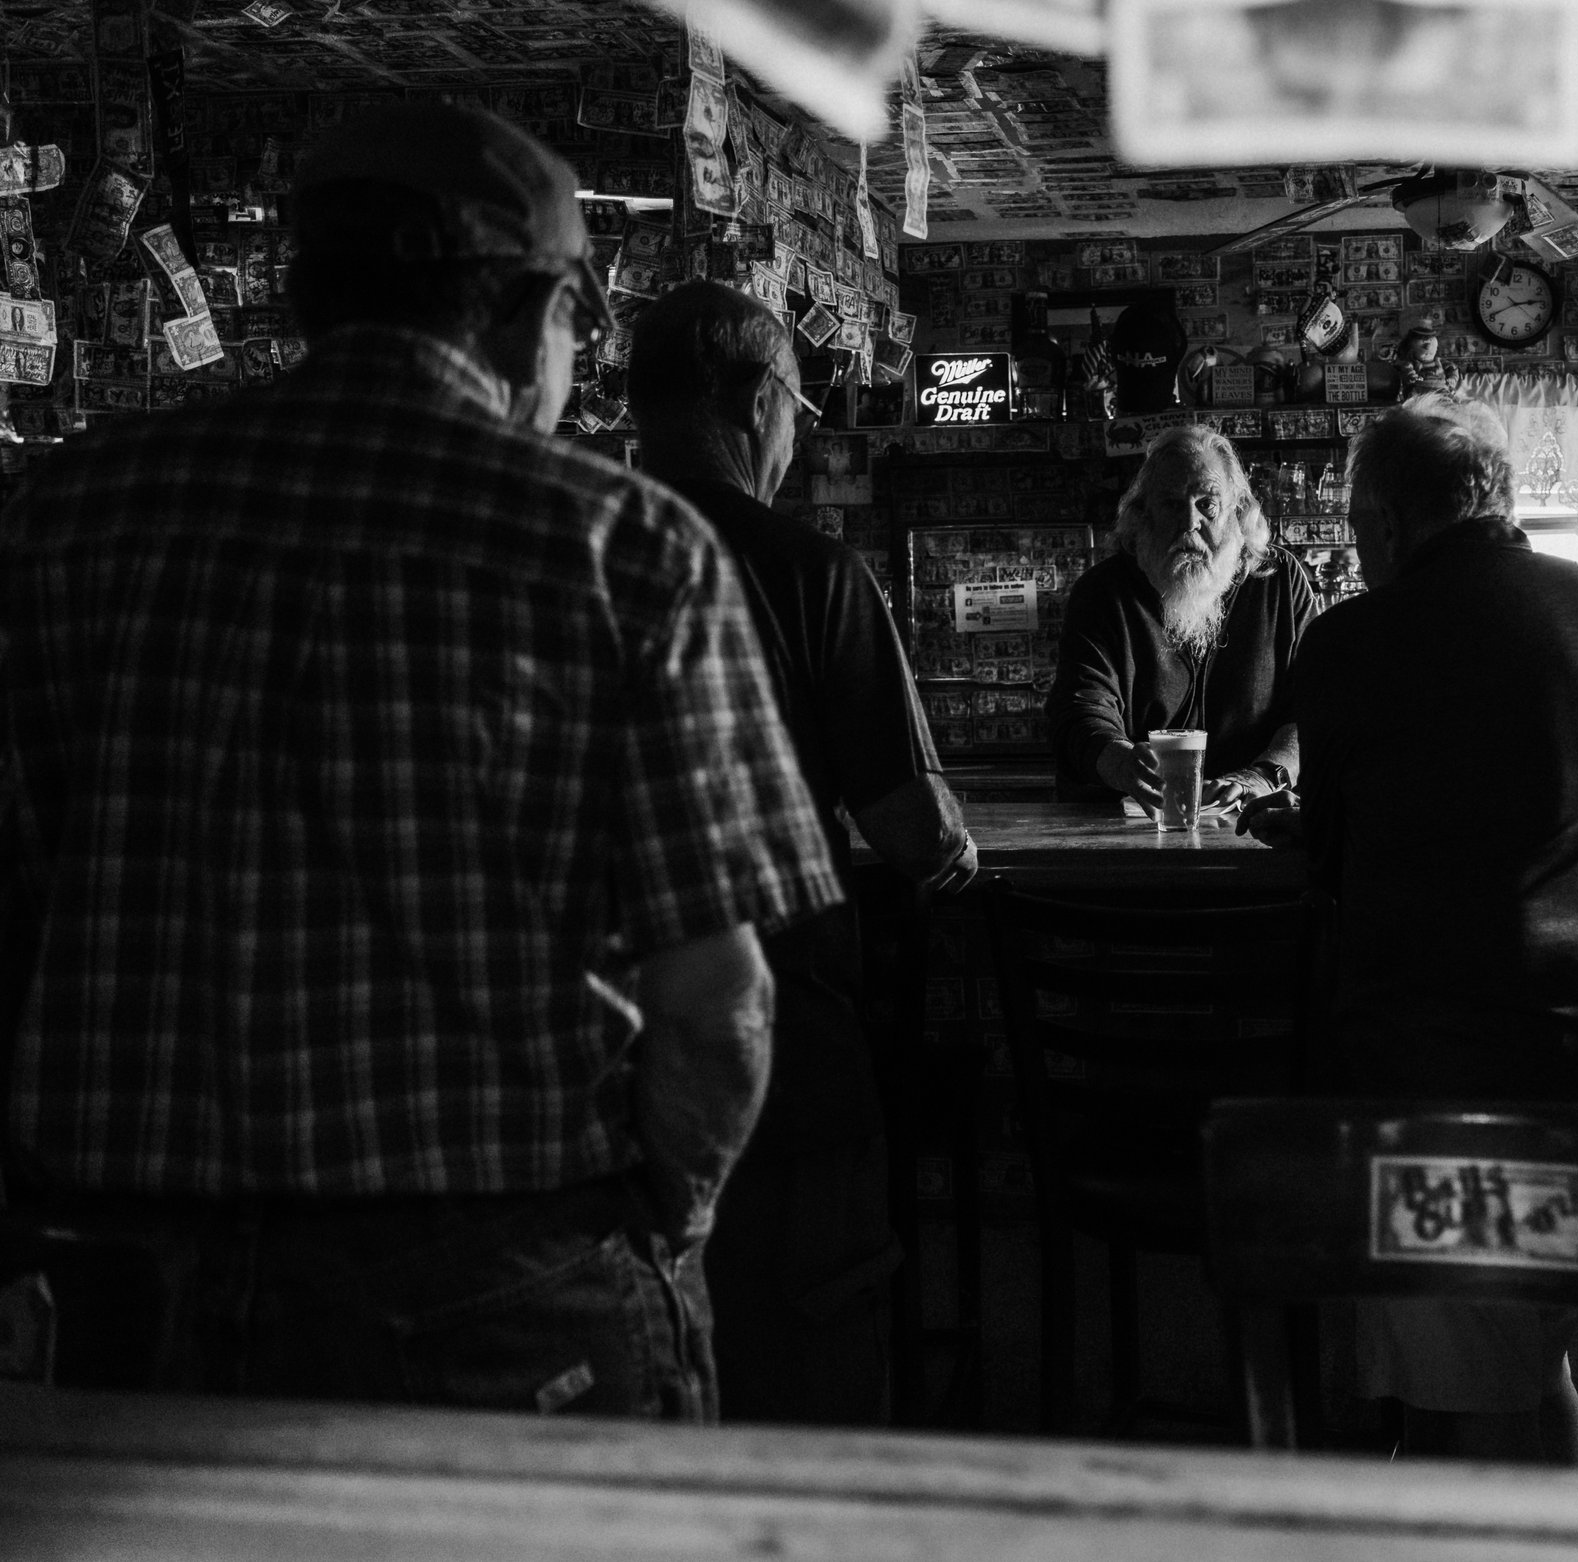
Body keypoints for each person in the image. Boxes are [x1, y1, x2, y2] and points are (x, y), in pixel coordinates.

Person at [0, 105, 839, 1417]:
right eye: (577, 330)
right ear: (531, 306)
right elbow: (719, 1014)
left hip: (117, 1281)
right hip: (498, 1288)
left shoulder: (63, 515)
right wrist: (665, 1222)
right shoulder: (629, 548)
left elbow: (23, 909)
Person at [1241, 397, 1578, 1466]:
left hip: (1452, 1062)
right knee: (1521, 1354)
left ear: (1380, 519)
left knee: (1462, 1389)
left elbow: (1328, 859)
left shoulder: (1354, 635)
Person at [626, 280, 976, 1426]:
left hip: (587, 1054)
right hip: (780, 1043)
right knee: (801, 1372)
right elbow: (913, 831)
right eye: (796, 397)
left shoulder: (564, 546)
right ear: (750, 398)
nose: (802, 425)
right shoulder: (813, 572)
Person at [1045, 425, 1316, 810]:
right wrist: (1121, 761)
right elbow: (1079, 709)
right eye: (1171, 504)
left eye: (1208, 504)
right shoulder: (1102, 592)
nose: (1189, 523)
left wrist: (1263, 776)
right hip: (1129, 828)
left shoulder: (1280, 580)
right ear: (1143, 514)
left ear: (1237, 512)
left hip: (1256, 820)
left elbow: (1315, 708)